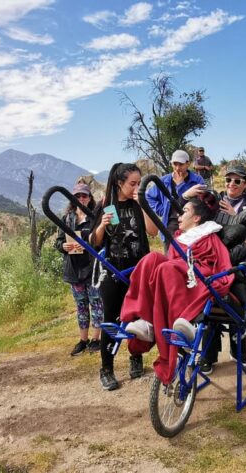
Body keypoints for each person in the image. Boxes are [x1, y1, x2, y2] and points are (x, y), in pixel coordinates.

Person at [121, 193, 235, 384]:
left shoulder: (209, 236)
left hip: (196, 278)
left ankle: (182, 323)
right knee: (152, 259)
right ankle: (145, 320)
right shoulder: (179, 239)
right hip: (175, 275)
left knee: (168, 267)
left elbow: (220, 264)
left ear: (197, 218)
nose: (179, 216)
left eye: (185, 212)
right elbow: (171, 259)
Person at [91, 163, 158, 390]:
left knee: (139, 318)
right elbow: (95, 241)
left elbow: (153, 231)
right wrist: (101, 226)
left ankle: (136, 357)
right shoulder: (107, 207)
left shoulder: (138, 204)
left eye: (139, 183)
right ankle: (106, 368)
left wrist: (143, 205)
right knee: (111, 319)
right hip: (114, 271)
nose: (136, 187)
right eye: (132, 184)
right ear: (120, 183)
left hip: (139, 271)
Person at [202, 163, 246, 372]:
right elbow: (201, 219)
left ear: (245, 184)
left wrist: (237, 216)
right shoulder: (215, 200)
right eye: (228, 179)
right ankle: (208, 357)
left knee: (236, 304)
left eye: (237, 180)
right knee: (210, 304)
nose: (232, 184)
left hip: (239, 259)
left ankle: (238, 351)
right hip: (217, 259)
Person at [54, 183, 104, 355]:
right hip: (74, 269)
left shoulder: (95, 217)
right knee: (81, 305)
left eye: (84, 196)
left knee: (96, 303)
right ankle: (83, 340)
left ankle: (96, 339)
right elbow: (58, 242)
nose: (81, 199)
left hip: (92, 267)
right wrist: (64, 246)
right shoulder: (67, 218)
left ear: (90, 198)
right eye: (78, 196)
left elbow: (102, 239)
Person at [145, 150, 206, 248]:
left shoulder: (197, 181)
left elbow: (203, 202)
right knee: (170, 258)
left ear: (188, 164)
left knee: (188, 257)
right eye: (175, 164)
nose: (177, 168)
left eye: (181, 164)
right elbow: (149, 196)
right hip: (170, 226)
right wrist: (162, 210)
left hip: (190, 226)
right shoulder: (163, 181)